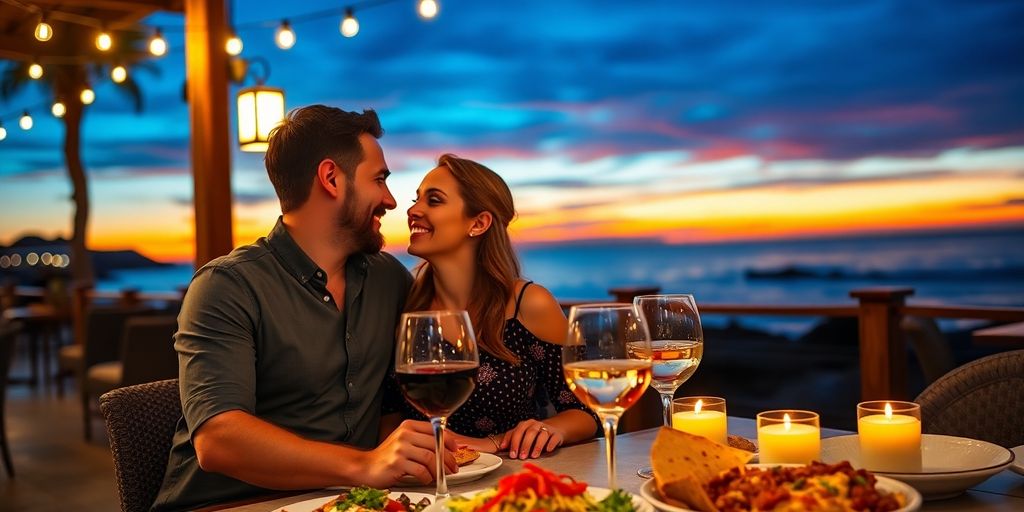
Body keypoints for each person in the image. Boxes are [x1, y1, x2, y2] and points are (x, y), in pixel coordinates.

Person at [153, 106, 456, 511]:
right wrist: (365, 464)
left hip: (344, 502)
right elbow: (218, 440)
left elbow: (440, 366)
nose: (390, 200)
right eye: (379, 179)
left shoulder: (388, 280)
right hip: (230, 504)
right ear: (331, 178)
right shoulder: (227, 286)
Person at [402, 154, 599, 460]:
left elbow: (586, 410)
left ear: (478, 223)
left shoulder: (530, 304)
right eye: (417, 200)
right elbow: (386, 415)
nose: (413, 210)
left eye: (434, 200)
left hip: (511, 481)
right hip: (421, 487)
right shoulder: (404, 307)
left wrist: (537, 432)